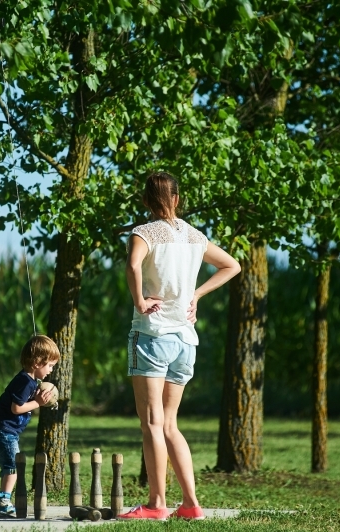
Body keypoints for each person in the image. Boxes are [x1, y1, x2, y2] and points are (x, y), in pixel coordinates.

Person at [118, 171, 241, 521]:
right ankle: (190, 504)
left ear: (146, 200)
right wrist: (196, 296)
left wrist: (140, 300)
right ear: (176, 199)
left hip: (153, 336)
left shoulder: (143, 232)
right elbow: (233, 265)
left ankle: (156, 505)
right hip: (186, 341)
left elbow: (132, 265)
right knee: (170, 424)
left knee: (152, 424)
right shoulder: (194, 236)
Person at [0, 335, 60, 518]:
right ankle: (2, 502)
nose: (51, 370)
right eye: (49, 365)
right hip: (2, 429)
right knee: (12, 467)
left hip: (4, 430)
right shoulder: (25, 381)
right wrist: (38, 403)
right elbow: (16, 408)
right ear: (37, 362)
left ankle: (0, 502)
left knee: (12, 465)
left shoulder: (31, 381)